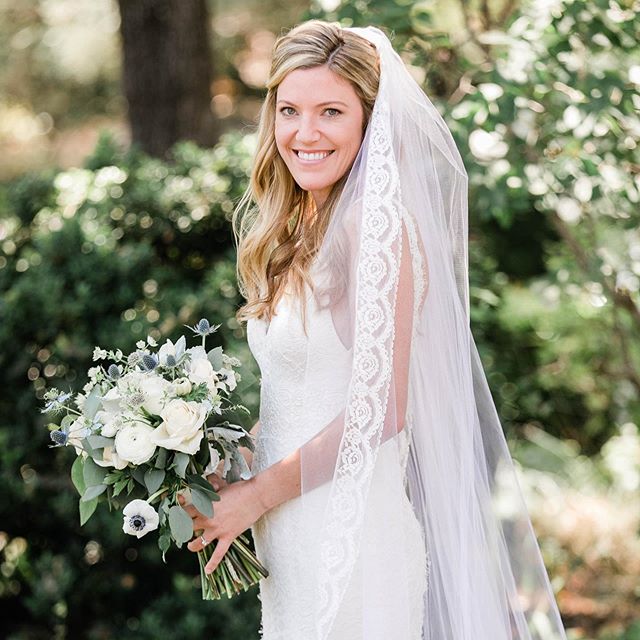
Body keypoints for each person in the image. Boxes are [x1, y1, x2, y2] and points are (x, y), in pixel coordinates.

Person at [179, 20, 569, 640]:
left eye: (330, 111)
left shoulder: (374, 228)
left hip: (352, 534)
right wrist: (223, 466)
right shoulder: (297, 227)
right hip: (290, 530)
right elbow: (298, 396)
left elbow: (380, 408)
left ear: (368, 122)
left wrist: (257, 496)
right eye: (289, 111)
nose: (305, 134)